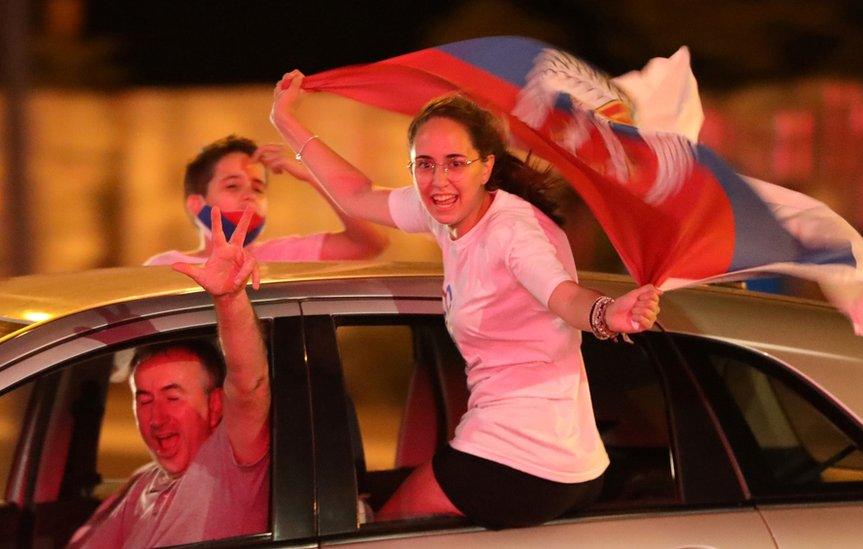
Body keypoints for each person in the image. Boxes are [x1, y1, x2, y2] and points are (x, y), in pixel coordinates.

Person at [270, 70, 661, 529]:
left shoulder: (512, 232)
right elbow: (358, 195)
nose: (439, 180)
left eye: (455, 162)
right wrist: (285, 119)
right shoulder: (448, 211)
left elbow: (562, 295)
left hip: (520, 458)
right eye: (425, 164)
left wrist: (607, 313)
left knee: (375, 534)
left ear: (486, 165)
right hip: (555, 455)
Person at [72, 208, 271, 547]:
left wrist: (229, 299)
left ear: (215, 405)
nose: (156, 418)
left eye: (172, 396)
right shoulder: (142, 485)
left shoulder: (230, 464)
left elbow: (249, 386)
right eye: (144, 399)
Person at [144, 135, 388, 265]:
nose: (249, 195)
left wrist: (313, 177)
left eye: (258, 188)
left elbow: (370, 243)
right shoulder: (167, 267)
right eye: (232, 185)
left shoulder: (285, 257)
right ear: (196, 204)